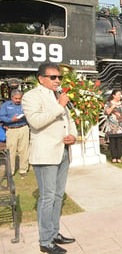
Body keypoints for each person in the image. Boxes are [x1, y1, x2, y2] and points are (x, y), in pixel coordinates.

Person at [22, 62, 77, 254]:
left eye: (59, 77)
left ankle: (54, 233)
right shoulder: (31, 96)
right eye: (53, 77)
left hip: (63, 152)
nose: (57, 81)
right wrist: (59, 106)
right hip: (45, 154)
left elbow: (69, 120)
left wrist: (74, 136)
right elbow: (36, 122)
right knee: (47, 198)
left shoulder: (58, 96)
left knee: (57, 196)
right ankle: (45, 241)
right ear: (41, 78)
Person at [0, 89, 29, 177]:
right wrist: (11, 120)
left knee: (24, 150)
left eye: (19, 98)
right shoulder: (5, 105)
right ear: (12, 97)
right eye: (16, 98)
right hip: (11, 129)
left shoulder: (24, 104)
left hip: (23, 128)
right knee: (11, 150)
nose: (18, 100)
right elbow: (2, 117)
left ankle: (23, 169)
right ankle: (11, 171)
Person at [104, 90, 122, 163]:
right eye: (118, 95)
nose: (119, 96)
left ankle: (119, 157)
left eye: (120, 95)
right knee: (112, 142)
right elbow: (106, 112)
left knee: (119, 142)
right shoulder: (108, 103)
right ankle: (113, 157)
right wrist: (112, 107)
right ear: (113, 95)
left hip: (120, 125)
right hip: (112, 125)